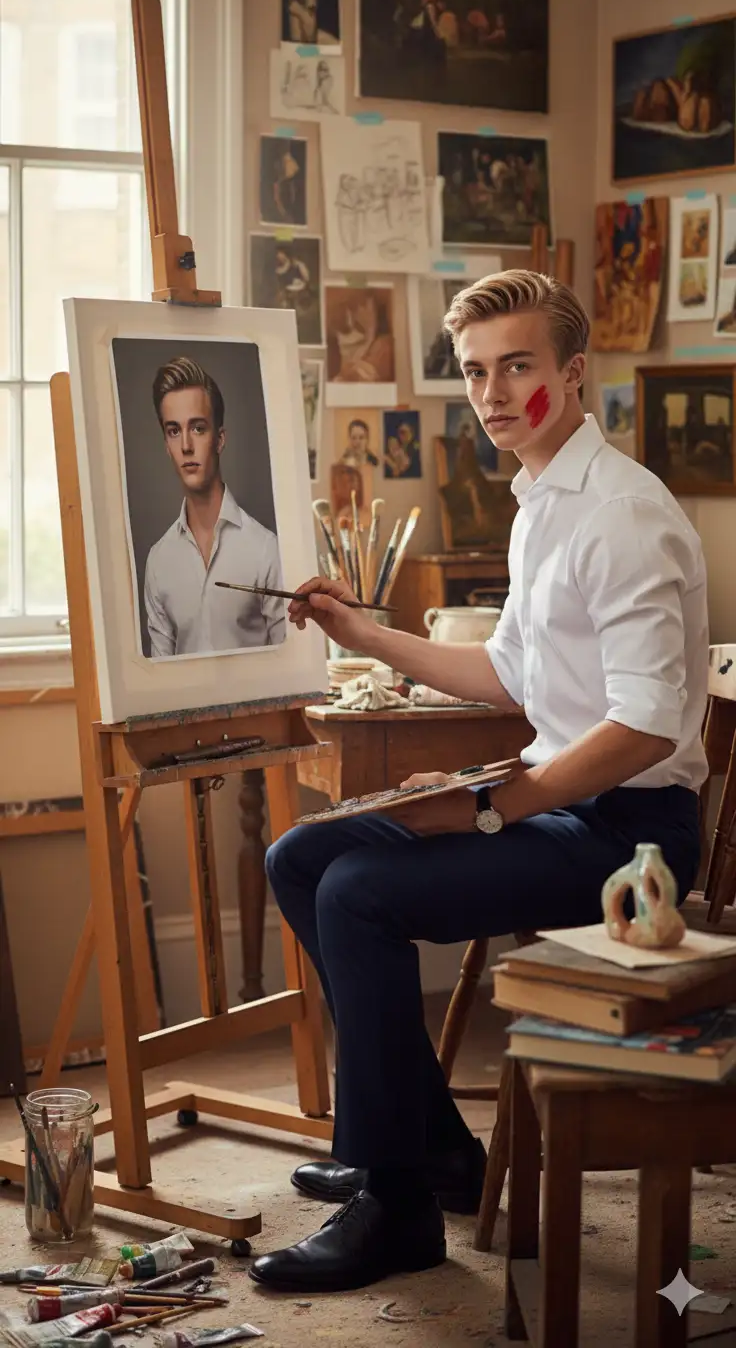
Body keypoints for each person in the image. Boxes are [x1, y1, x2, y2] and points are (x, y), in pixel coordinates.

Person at [249, 270, 708, 1293]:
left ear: (573, 374)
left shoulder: (622, 515)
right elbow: (506, 670)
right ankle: (433, 1151)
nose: (494, 393)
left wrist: (497, 801)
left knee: (357, 893)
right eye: (475, 372)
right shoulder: (539, 500)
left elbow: (638, 728)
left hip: (632, 840)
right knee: (301, 855)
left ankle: (396, 1201)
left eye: (517, 367)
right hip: (561, 799)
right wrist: (360, 630)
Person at [143, 356, 286, 656]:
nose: (185, 445)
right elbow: (160, 686)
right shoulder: (158, 561)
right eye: (173, 431)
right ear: (166, 446)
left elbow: (289, 668)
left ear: (219, 439)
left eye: (197, 428)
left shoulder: (265, 549)